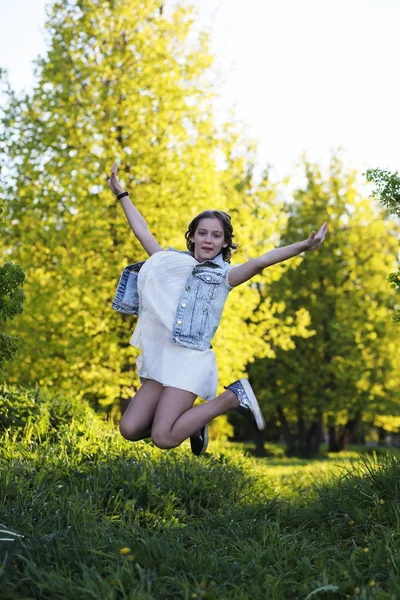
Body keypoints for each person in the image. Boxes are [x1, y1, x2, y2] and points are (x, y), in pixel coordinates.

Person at [108, 163, 328, 455]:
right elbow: (142, 232)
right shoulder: (169, 262)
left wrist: (303, 246)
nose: (208, 240)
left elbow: (261, 261)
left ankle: (231, 399)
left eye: (215, 235)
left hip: (188, 361)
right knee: (130, 428)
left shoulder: (223, 276)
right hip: (161, 358)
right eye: (202, 233)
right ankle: (194, 421)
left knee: (163, 437)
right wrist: (121, 193)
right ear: (193, 236)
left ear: (224, 242)